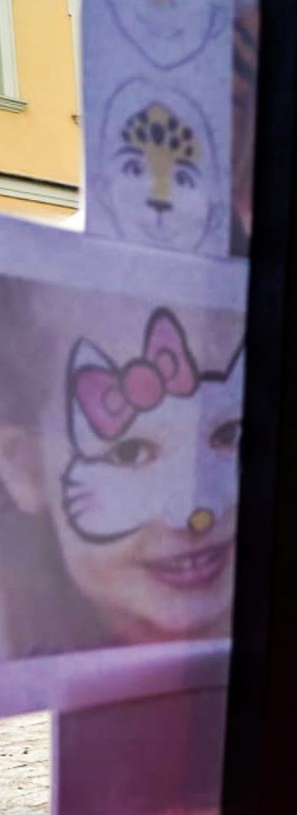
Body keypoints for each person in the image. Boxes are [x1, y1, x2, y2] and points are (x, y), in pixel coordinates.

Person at [0, 279, 244, 666]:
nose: (196, 511)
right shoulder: (18, 697)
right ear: (26, 468)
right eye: (129, 452)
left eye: (228, 434)